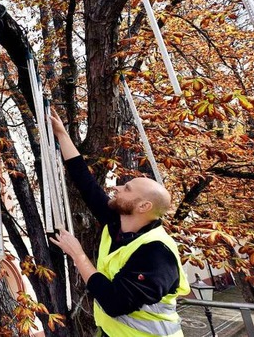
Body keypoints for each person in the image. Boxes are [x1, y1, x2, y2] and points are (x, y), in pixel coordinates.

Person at [48, 109, 190, 337]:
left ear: (143, 207)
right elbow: (87, 184)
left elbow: (114, 302)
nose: (117, 188)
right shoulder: (119, 222)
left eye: (127, 189)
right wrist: (62, 135)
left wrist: (79, 255)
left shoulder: (157, 254)